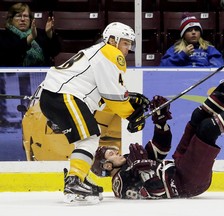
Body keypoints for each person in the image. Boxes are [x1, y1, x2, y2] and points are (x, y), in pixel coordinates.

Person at [92, 48, 224, 199]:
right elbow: (156, 192)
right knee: (208, 129)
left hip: (179, 166)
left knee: (198, 117)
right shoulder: (121, 184)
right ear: (107, 166)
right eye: (111, 153)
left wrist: (160, 123)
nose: (116, 151)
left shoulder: (130, 158)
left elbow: (161, 148)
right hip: (187, 183)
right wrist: (145, 169)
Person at [39, 22, 149, 203]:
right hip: (64, 96)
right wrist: (131, 114)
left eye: (130, 44)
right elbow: (112, 96)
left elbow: (106, 95)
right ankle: (74, 180)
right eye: (125, 43)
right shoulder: (110, 52)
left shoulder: (100, 52)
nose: (128, 48)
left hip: (55, 96)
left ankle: (78, 178)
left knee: (86, 138)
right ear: (112, 40)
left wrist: (130, 100)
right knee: (90, 137)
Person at [160, 15, 224, 67]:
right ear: (183, 34)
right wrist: (182, 54)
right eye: (189, 30)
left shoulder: (209, 49)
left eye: (196, 30)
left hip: (204, 80)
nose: (193, 32)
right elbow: (163, 67)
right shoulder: (174, 49)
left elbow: (218, 66)